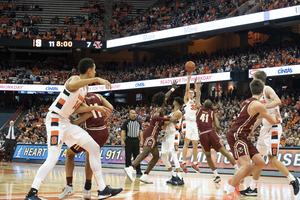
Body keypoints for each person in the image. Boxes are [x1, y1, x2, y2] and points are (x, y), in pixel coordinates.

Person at [25, 58, 122, 200]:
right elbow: (73, 85)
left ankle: (102, 189)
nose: (95, 72)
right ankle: (32, 193)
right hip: (55, 120)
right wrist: (97, 79)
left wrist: (93, 107)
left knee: (94, 147)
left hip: (65, 122)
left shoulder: (84, 89)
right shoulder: (74, 80)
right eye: (94, 70)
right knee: (53, 157)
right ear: (89, 70)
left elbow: (77, 108)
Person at [239, 71, 300, 196]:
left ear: (257, 79)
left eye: (253, 78)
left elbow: (278, 101)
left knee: (272, 159)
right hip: (264, 129)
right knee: (258, 160)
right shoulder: (259, 95)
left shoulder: (267, 89)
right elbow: (261, 117)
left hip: (274, 128)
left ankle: (293, 180)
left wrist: (264, 107)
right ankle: (253, 188)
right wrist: (252, 128)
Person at [223, 79, 276, 200]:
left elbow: (256, 115)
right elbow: (272, 120)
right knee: (246, 165)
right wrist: (274, 112)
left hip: (243, 136)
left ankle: (234, 179)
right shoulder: (258, 105)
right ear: (262, 91)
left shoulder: (246, 102)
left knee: (261, 163)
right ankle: (229, 192)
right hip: (237, 135)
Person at [59, 92, 114, 199]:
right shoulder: (98, 95)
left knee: (69, 154)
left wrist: (75, 122)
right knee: (90, 156)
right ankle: (87, 190)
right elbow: (110, 107)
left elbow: (88, 113)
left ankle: (69, 186)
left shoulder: (79, 98)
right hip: (103, 132)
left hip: (91, 131)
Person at [125, 82, 178, 184]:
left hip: (154, 133)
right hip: (151, 132)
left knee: (156, 156)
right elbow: (154, 118)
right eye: (164, 99)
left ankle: (145, 175)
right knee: (145, 152)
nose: (166, 99)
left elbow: (165, 96)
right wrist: (169, 118)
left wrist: (172, 89)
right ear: (162, 100)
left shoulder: (160, 107)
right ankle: (131, 168)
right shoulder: (159, 109)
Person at [194, 81, 238, 183]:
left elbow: (197, 97)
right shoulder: (212, 113)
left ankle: (216, 175)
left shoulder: (199, 109)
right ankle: (237, 169)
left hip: (202, 135)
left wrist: (198, 87)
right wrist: (217, 132)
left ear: (204, 104)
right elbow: (217, 125)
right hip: (211, 132)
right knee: (225, 152)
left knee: (208, 156)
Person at [161, 97, 184, 186]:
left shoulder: (178, 113)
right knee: (163, 157)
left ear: (176, 102)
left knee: (174, 155)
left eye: (174, 101)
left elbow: (166, 123)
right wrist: (166, 118)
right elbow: (165, 123)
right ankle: (173, 175)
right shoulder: (171, 113)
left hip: (174, 135)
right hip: (166, 135)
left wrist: (165, 119)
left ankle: (180, 177)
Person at [180, 72, 201, 173]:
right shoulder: (186, 100)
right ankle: (183, 162)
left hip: (194, 123)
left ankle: (195, 163)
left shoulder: (195, 102)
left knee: (195, 143)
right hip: (187, 122)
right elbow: (187, 89)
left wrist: (196, 86)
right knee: (187, 142)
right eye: (190, 93)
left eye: (192, 93)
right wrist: (189, 79)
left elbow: (198, 95)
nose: (190, 93)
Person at [121, 110, 143, 177]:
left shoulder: (138, 122)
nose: (134, 114)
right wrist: (122, 140)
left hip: (136, 140)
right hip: (129, 140)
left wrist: (141, 140)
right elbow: (123, 131)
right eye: (132, 113)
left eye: (135, 113)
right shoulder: (126, 122)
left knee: (137, 156)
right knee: (128, 156)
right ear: (129, 114)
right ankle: (128, 170)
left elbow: (140, 131)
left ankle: (138, 171)